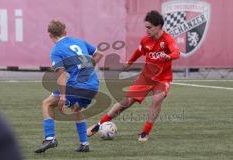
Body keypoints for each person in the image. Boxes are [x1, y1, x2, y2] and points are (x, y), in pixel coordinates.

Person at [87, 10, 180, 142]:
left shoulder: (168, 39)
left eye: (149, 27)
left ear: (158, 26)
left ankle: (145, 132)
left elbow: (177, 53)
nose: (147, 30)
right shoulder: (145, 40)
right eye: (145, 27)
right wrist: (129, 63)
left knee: (157, 99)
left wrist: (168, 56)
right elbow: (138, 51)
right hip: (146, 77)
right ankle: (99, 125)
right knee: (125, 102)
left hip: (162, 79)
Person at [35, 19, 103, 153]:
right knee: (75, 108)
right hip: (93, 85)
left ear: (50, 35)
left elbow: (61, 76)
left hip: (77, 85)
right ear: (65, 31)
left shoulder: (56, 50)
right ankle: (84, 144)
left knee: (47, 104)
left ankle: (50, 139)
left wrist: (62, 96)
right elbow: (99, 54)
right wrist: (88, 67)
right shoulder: (78, 41)